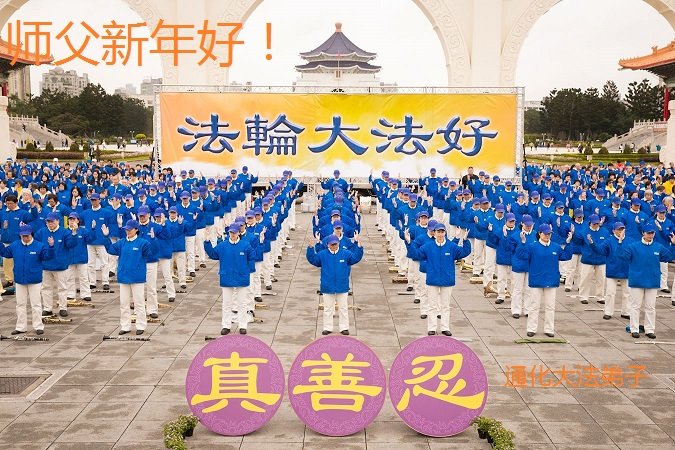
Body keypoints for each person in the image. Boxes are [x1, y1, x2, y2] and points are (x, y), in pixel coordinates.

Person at [410, 223, 471, 336]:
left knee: (445, 306)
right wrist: (409, 243)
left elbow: (464, 252)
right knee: (432, 306)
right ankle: (432, 328)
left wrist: (465, 240)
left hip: (447, 281)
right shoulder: (428, 246)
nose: (440, 234)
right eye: (438, 232)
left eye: (442, 232)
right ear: (434, 233)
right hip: (432, 280)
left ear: (445, 233)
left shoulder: (451, 246)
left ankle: (445, 327)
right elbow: (416, 254)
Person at [517, 223, 574, 337]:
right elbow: (522, 256)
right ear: (539, 233)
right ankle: (531, 328)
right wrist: (522, 243)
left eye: (549, 233)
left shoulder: (555, 246)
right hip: (536, 281)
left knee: (550, 307)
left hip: (551, 281)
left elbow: (566, 256)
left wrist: (568, 243)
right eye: (545, 233)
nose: (548, 235)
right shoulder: (532, 247)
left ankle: (549, 329)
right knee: (534, 306)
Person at [620, 223, 675, 339]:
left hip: (652, 281)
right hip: (637, 281)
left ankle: (649, 329)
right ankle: (634, 329)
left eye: (652, 233)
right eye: (648, 233)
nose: (650, 235)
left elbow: (669, 257)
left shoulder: (658, 247)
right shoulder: (633, 246)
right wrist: (620, 243)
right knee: (635, 306)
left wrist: (673, 244)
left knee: (650, 307)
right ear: (643, 233)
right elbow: (623, 256)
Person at [101, 220, 154, 335]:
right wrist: (106, 237)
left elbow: (151, 253)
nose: (128, 231)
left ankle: (141, 325)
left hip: (137, 278)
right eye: (126, 229)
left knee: (139, 303)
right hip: (124, 277)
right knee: (124, 303)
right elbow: (110, 249)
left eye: (130, 229)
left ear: (136, 230)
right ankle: (125, 326)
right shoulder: (122, 242)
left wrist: (153, 239)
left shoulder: (143, 243)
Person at [0, 224, 55, 335]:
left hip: (35, 280)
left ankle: (38, 326)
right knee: (20, 304)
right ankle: (21, 327)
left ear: (31, 234)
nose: (25, 238)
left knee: (36, 304)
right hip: (20, 280)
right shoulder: (15, 245)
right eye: (23, 236)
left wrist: (51, 246)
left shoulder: (39, 246)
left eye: (27, 236)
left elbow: (48, 257)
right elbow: (5, 253)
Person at [306, 232, 363, 336]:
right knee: (328, 309)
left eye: (335, 244)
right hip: (327, 286)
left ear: (338, 243)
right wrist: (310, 248)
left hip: (342, 286)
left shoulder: (345, 253)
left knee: (343, 308)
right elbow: (313, 260)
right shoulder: (322, 254)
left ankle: (344, 327)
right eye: (331, 244)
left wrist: (359, 247)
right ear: (327, 244)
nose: (333, 246)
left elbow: (355, 258)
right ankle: (327, 327)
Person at [204, 224, 256, 335]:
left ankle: (242, 325)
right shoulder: (223, 245)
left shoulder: (245, 245)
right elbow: (213, 254)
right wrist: (207, 242)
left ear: (239, 233)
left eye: (234, 232)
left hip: (241, 277)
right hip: (227, 277)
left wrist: (247, 270)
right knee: (226, 303)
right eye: (231, 232)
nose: (232, 234)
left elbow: (252, 256)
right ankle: (226, 325)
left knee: (242, 303)